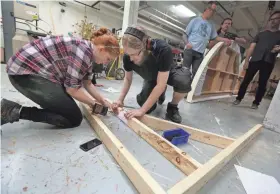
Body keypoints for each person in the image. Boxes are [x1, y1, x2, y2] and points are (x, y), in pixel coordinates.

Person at [1, 28, 120, 127]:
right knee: (73, 118)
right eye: (108, 59)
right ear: (101, 49)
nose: (105, 63)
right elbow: (72, 89)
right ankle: (12, 110)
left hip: (32, 71)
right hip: (24, 73)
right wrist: (93, 104)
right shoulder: (83, 52)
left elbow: (87, 83)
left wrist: (103, 102)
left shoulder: (89, 53)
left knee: (66, 105)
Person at [112, 26, 192, 123]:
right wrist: (120, 99)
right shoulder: (128, 57)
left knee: (183, 81)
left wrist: (141, 111)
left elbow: (160, 84)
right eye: (128, 54)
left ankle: (172, 106)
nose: (131, 59)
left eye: (134, 54)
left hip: (166, 73)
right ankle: (160, 93)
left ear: (146, 47)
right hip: (151, 76)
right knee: (146, 106)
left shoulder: (163, 49)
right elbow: (128, 79)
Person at [233, 11, 280, 109]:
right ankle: (238, 98)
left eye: (276, 18)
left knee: (262, 83)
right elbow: (251, 47)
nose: (273, 21)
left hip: (268, 61)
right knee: (246, 80)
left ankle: (256, 103)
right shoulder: (261, 34)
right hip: (255, 60)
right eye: (271, 19)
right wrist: (246, 61)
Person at [182, 1, 232, 78]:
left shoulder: (211, 25)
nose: (213, 13)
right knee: (185, 72)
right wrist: (187, 43)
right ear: (207, 9)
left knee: (196, 75)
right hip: (190, 50)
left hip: (200, 53)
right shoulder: (195, 20)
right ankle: (180, 89)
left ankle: (190, 89)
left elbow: (216, 37)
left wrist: (225, 40)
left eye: (214, 11)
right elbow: (184, 34)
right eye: (212, 10)